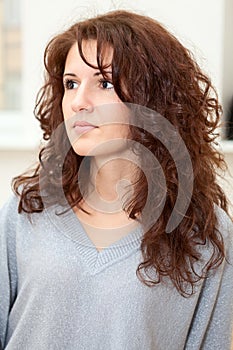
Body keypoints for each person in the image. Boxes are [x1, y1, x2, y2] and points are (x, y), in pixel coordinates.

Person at [0, 9, 233, 350]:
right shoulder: (26, 211)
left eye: (104, 83)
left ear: (152, 97)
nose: (79, 102)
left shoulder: (204, 231)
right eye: (71, 83)